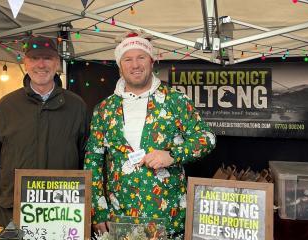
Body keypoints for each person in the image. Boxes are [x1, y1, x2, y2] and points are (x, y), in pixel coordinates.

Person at [84, 31, 216, 238]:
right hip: (119, 214)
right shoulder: (104, 109)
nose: (135, 65)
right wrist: (97, 211)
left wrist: (172, 155)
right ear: (120, 66)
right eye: (128, 59)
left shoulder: (175, 100)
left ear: (152, 62)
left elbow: (206, 138)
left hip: (166, 214)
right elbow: (93, 159)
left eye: (141, 57)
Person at [0, 36, 89, 233]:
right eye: (34, 58)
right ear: (25, 63)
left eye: (47, 58)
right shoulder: (7, 106)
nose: (41, 64)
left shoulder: (77, 106)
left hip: (62, 214)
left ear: (57, 63)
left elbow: (88, 161)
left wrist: (88, 211)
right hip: (10, 213)